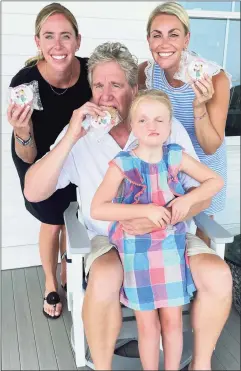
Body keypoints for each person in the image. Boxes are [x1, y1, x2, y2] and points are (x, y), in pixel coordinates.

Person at [24, 42, 232, 371]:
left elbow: (202, 191)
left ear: (135, 88)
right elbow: (34, 191)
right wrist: (71, 137)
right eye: (98, 85)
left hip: (171, 233)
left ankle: (200, 365)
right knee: (105, 276)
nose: (105, 95)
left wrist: (167, 217)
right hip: (108, 239)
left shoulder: (164, 126)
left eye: (116, 85)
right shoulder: (82, 135)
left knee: (219, 276)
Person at [90, 89, 224, 370]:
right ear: (133, 125)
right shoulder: (124, 164)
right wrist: (145, 210)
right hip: (137, 253)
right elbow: (98, 208)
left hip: (170, 250)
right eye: (144, 120)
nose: (152, 126)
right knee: (148, 325)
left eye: (160, 120)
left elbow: (214, 181)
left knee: (173, 322)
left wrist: (188, 199)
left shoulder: (175, 157)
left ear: (170, 124)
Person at [7, 2, 92, 319]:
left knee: (75, 216)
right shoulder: (24, 83)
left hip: (78, 155)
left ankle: (71, 272)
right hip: (37, 156)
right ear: (38, 42)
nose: (58, 45)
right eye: (49, 36)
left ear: (78, 41)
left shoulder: (91, 72)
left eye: (66, 36)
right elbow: (27, 156)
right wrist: (22, 131)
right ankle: (50, 281)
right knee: (53, 220)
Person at [138, 1, 231, 246]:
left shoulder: (215, 78)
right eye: (157, 35)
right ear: (148, 40)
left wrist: (199, 106)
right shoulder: (145, 73)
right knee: (165, 230)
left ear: (186, 40)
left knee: (201, 231)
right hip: (166, 165)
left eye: (174, 35)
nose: (164, 44)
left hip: (204, 168)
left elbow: (211, 146)